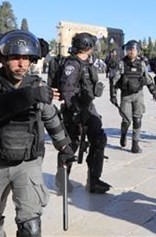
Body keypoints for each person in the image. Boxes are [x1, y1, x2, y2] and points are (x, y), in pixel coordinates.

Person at [0, 30, 75, 237]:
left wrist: (64, 146)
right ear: (3, 60)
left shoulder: (37, 85)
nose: (22, 64)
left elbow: (50, 116)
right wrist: (28, 97)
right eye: (15, 58)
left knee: (31, 227)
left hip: (28, 163)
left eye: (26, 58)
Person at [58, 32, 111, 194]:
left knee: (99, 139)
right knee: (71, 144)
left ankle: (94, 180)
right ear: (87, 46)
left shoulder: (86, 64)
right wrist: (75, 112)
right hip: (75, 110)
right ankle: (62, 179)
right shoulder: (73, 65)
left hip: (88, 108)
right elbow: (67, 90)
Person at [110, 40, 156, 153]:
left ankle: (135, 143)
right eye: (129, 49)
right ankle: (123, 134)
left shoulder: (141, 64)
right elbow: (114, 80)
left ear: (137, 51)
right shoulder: (122, 64)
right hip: (126, 96)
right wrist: (113, 95)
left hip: (138, 95)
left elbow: (148, 79)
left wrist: (154, 92)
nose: (131, 51)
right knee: (127, 120)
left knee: (137, 119)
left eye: (134, 49)